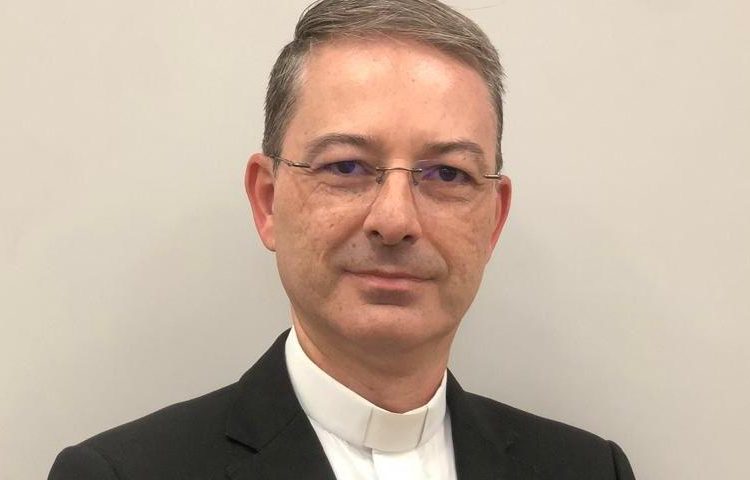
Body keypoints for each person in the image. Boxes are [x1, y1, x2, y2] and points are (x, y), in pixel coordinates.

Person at [48, 0, 636, 478]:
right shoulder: (121, 474)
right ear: (267, 201)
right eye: (347, 166)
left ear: (493, 221)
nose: (395, 220)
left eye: (447, 174)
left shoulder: (590, 470)